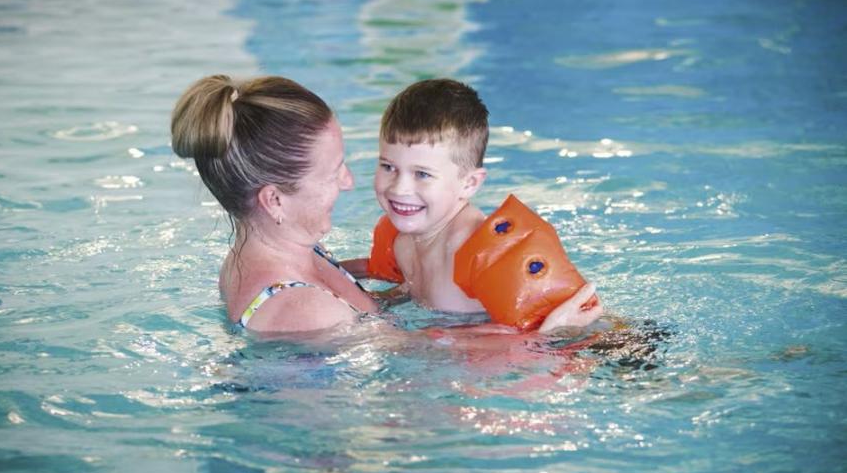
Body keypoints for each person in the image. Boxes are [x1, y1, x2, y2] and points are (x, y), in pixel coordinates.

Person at [356, 78, 602, 333]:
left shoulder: (481, 252)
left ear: (469, 183)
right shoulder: (404, 240)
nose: (399, 188)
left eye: (422, 174)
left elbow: (520, 345)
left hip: (607, 354)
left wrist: (549, 334)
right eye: (388, 167)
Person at [171, 74, 377, 333]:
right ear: (274, 200)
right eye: (334, 172)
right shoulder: (304, 312)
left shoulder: (295, 250)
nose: (348, 182)